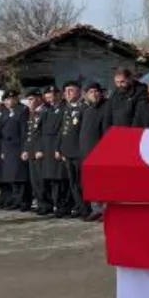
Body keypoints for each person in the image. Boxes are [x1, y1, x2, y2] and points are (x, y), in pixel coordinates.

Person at [80, 82, 109, 222]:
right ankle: (95, 209)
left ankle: (105, 210)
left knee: (104, 183)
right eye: (90, 92)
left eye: (96, 91)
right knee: (91, 182)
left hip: (101, 150)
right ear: (86, 94)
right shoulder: (86, 110)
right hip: (87, 151)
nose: (94, 94)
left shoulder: (106, 108)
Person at [39, 85, 70, 217]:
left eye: (53, 96)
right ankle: (53, 204)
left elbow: (63, 130)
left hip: (57, 146)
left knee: (60, 178)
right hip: (47, 147)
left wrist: (59, 148)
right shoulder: (47, 110)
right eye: (48, 97)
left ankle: (63, 206)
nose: (50, 99)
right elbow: (40, 130)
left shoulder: (64, 109)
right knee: (51, 178)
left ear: (58, 95)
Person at [58, 81, 87, 217]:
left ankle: (86, 208)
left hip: (79, 152)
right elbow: (63, 131)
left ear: (79, 92)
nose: (68, 93)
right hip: (68, 152)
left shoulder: (84, 108)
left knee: (82, 182)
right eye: (66, 91)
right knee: (73, 183)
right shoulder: (66, 109)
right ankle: (80, 207)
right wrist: (61, 149)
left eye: (71, 90)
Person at [0, 90, 31, 211]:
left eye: (11, 99)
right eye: (6, 99)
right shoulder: (6, 113)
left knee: (20, 176)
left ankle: (24, 201)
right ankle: (16, 199)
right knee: (11, 176)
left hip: (18, 147)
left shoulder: (22, 111)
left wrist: (24, 149)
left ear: (16, 100)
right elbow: (2, 133)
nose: (8, 102)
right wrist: (2, 150)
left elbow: (24, 132)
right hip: (7, 148)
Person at [23, 89, 51, 215]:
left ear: (39, 99)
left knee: (41, 180)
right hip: (31, 151)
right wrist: (26, 150)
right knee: (34, 180)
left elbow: (42, 133)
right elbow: (29, 134)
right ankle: (40, 203)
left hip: (39, 152)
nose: (29, 102)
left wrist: (40, 149)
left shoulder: (45, 111)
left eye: (32, 99)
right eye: (28, 100)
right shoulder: (32, 113)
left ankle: (47, 204)